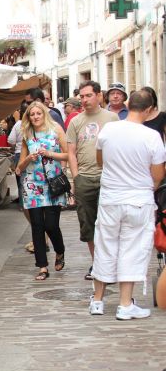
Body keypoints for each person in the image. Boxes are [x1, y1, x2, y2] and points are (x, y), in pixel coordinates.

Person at [89, 90, 166, 319]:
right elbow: (157, 173)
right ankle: (125, 304)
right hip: (138, 199)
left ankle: (97, 301)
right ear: (150, 109)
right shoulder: (151, 136)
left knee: (105, 245)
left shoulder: (109, 129)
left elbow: (100, 160)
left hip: (111, 197)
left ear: (129, 104)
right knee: (132, 249)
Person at [67, 80, 119, 280]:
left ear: (99, 96)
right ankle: (97, 264)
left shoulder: (112, 118)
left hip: (108, 178)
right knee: (88, 224)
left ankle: (111, 264)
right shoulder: (76, 121)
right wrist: (76, 177)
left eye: (88, 95)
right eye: (82, 96)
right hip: (85, 179)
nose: (85, 100)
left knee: (110, 223)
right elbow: (71, 152)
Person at [16, 101, 68, 280]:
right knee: (37, 226)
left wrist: (49, 154)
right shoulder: (27, 134)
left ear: (44, 114)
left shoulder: (56, 130)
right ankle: (42, 266)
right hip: (32, 184)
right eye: (32, 114)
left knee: (51, 225)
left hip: (53, 183)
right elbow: (19, 168)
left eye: (39, 113)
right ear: (28, 117)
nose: (36, 117)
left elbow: (69, 154)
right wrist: (29, 158)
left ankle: (60, 251)